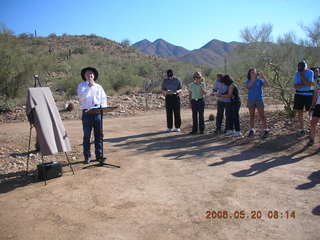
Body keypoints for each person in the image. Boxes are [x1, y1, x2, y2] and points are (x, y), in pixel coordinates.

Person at [77, 67, 107, 164]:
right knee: (87, 135)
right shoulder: (81, 86)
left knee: (98, 135)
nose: (90, 75)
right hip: (87, 113)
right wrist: (88, 87)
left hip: (97, 112)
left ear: (94, 76)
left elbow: (103, 99)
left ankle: (99, 155)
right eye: (88, 74)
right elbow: (81, 98)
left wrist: (104, 108)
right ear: (84, 76)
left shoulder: (99, 87)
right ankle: (87, 156)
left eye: (91, 74)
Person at [246, 68, 269, 138]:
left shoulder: (260, 80)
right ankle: (252, 130)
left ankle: (265, 130)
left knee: (262, 115)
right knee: (251, 115)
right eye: (251, 72)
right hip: (251, 100)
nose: (253, 73)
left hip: (259, 99)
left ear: (256, 73)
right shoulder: (248, 81)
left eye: (254, 72)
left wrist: (263, 76)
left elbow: (267, 85)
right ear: (249, 74)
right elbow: (249, 86)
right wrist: (253, 79)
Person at [293, 61, 315, 136]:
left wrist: (302, 76)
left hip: (309, 95)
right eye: (300, 69)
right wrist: (305, 84)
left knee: (310, 112)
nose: (301, 70)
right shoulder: (296, 73)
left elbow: (310, 84)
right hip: (299, 94)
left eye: (302, 69)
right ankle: (302, 129)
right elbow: (295, 86)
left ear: (306, 67)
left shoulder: (310, 72)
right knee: (299, 111)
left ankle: (310, 128)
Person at [308, 78, 320, 147]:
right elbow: (315, 96)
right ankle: (312, 139)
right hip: (318, 105)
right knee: (313, 122)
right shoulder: (318, 84)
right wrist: (312, 106)